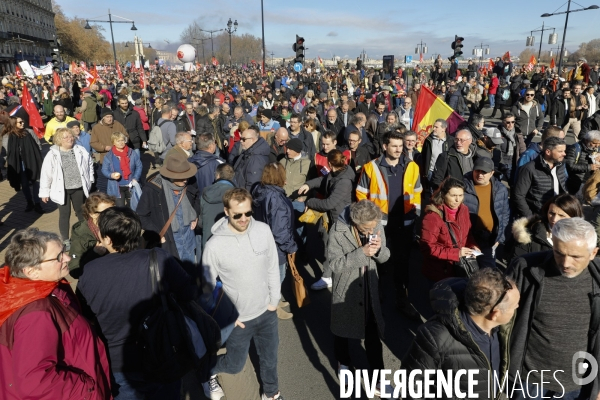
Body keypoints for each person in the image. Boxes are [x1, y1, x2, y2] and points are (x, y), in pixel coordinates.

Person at [76, 207, 197, 400]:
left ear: (107, 239)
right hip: (164, 350)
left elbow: (85, 317)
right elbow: (188, 293)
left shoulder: (89, 273)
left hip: (119, 363)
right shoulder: (159, 258)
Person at [0, 228, 112, 399]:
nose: (67, 258)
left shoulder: (44, 289)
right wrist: (89, 390)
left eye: (64, 251)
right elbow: (34, 382)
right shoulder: (36, 314)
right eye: (58, 257)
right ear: (31, 271)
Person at [201, 188, 284, 400]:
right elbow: (207, 286)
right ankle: (206, 371)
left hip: (267, 312)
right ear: (226, 211)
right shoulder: (214, 245)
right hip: (239, 320)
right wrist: (227, 316)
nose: (244, 219)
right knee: (235, 364)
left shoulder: (263, 230)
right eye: (238, 214)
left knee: (270, 359)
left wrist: (274, 300)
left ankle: (271, 393)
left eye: (248, 213)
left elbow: (273, 266)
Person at [507, 218, 600, 400]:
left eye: (575, 257)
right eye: (559, 252)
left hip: (578, 385)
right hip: (530, 382)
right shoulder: (525, 269)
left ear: (593, 253)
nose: (565, 263)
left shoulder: (597, 278)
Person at [402, 268, 519, 399]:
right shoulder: (436, 336)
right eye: (514, 306)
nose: (518, 307)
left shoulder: (501, 330)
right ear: (495, 314)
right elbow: (412, 387)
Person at [328, 200, 393, 397]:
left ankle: (378, 380)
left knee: (374, 336)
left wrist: (380, 249)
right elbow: (334, 265)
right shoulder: (337, 231)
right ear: (355, 222)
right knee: (342, 331)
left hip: (369, 288)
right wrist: (361, 253)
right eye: (367, 228)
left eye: (375, 226)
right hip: (346, 288)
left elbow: (385, 257)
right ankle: (344, 363)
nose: (372, 230)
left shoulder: (375, 224)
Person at [356, 131, 422, 319]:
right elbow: (361, 194)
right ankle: (375, 295)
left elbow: (417, 192)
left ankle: (402, 299)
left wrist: (415, 215)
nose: (398, 149)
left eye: (400, 146)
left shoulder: (412, 166)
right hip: (378, 225)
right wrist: (368, 221)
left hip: (404, 223)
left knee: (402, 263)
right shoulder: (370, 168)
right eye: (394, 146)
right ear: (384, 146)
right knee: (377, 260)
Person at [299, 150, 355, 290]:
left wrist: (310, 202)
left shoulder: (344, 182)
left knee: (332, 248)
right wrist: (308, 184)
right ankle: (331, 274)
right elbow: (323, 180)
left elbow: (329, 203)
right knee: (330, 246)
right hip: (334, 217)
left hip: (340, 220)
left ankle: (328, 277)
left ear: (329, 163)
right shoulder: (337, 173)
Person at [137, 153, 200, 268]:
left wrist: (195, 215)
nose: (186, 180)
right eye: (182, 176)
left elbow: (197, 197)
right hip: (169, 242)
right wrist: (157, 234)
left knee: (191, 274)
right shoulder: (153, 189)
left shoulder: (191, 181)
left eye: (187, 175)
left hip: (189, 239)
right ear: (171, 175)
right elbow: (141, 215)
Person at [251, 163, 298, 320]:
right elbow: (280, 230)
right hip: (274, 247)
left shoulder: (259, 190)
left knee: (269, 276)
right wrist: (291, 247)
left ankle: (275, 300)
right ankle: (272, 308)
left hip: (261, 242)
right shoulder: (276, 198)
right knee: (277, 277)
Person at [420, 177, 479, 283]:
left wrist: (472, 246)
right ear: (443, 195)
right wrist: (456, 253)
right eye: (453, 196)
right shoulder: (432, 217)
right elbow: (427, 248)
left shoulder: (464, 210)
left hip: (459, 268)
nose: (458, 200)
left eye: (461, 195)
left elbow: (467, 234)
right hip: (440, 273)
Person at [39, 127, 94, 242]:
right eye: (66, 137)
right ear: (59, 140)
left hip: (78, 187)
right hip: (62, 190)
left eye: (71, 136)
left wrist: (91, 178)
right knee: (65, 214)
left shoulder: (80, 149)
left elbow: (89, 163)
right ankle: (65, 239)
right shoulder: (52, 154)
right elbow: (46, 173)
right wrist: (44, 192)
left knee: (81, 212)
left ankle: (84, 235)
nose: (70, 139)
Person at [506, 193, 583, 263]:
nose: (554, 219)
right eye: (551, 213)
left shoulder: (582, 240)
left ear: (573, 218)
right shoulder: (529, 235)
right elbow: (516, 266)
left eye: (561, 215)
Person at [462, 157, 510, 269]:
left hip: (490, 239)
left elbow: (504, 214)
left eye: (484, 172)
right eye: (477, 171)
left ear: (492, 173)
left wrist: (499, 239)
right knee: (468, 271)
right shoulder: (462, 187)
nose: (480, 175)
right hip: (468, 239)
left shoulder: (500, 189)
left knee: (488, 274)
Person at [513, 137, 568, 218]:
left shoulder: (561, 165)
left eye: (564, 151)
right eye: (560, 151)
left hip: (556, 216)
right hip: (538, 217)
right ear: (548, 152)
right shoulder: (529, 169)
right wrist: (530, 217)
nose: (564, 154)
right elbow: (518, 196)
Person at [68, 192, 116, 278]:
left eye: (114, 209)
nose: (113, 214)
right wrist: (94, 253)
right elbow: (74, 271)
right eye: (107, 212)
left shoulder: (119, 225)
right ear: (92, 214)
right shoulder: (81, 235)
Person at [4, 114, 44, 213]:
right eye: (20, 122)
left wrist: (34, 156)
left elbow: (38, 145)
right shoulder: (8, 136)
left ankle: (37, 203)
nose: (23, 123)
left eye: (22, 121)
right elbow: (6, 152)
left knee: (36, 181)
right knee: (24, 183)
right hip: (19, 164)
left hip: (32, 161)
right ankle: (29, 201)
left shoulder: (29, 132)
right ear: (13, 124)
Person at [101, 132, 143, 207]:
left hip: (131, 185)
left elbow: (139, 166)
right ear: (113, 142)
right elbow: (104, 169)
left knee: (134, 207)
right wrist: (111, 175)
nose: (121, 143)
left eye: (122, 140)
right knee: (120, 209)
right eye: (118, 141)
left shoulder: (131, 153)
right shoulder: (109, 156)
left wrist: (136, 178)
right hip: (116, 187)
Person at [200, 163, 235, 248]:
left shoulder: (206, 192)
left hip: (208, 239)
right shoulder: (236, 195)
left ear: (218, 175)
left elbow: (200, 220)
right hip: (230, 240)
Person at [228, 125, 271, 191]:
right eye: (240, 139)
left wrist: (244, 198)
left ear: (252, 139)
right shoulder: (247, 152)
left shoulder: (256, 158)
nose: (241, 141)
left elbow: (253, 184)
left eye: (244, 139)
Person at [565, 129, 600, 194]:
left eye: (599, 143)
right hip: (576, 182)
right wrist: (589, 167)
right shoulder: (575, 148)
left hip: (591, 182)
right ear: (587, 140)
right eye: (594, 143)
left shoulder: (597, 149)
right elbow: (570, 165)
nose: (597, 146)